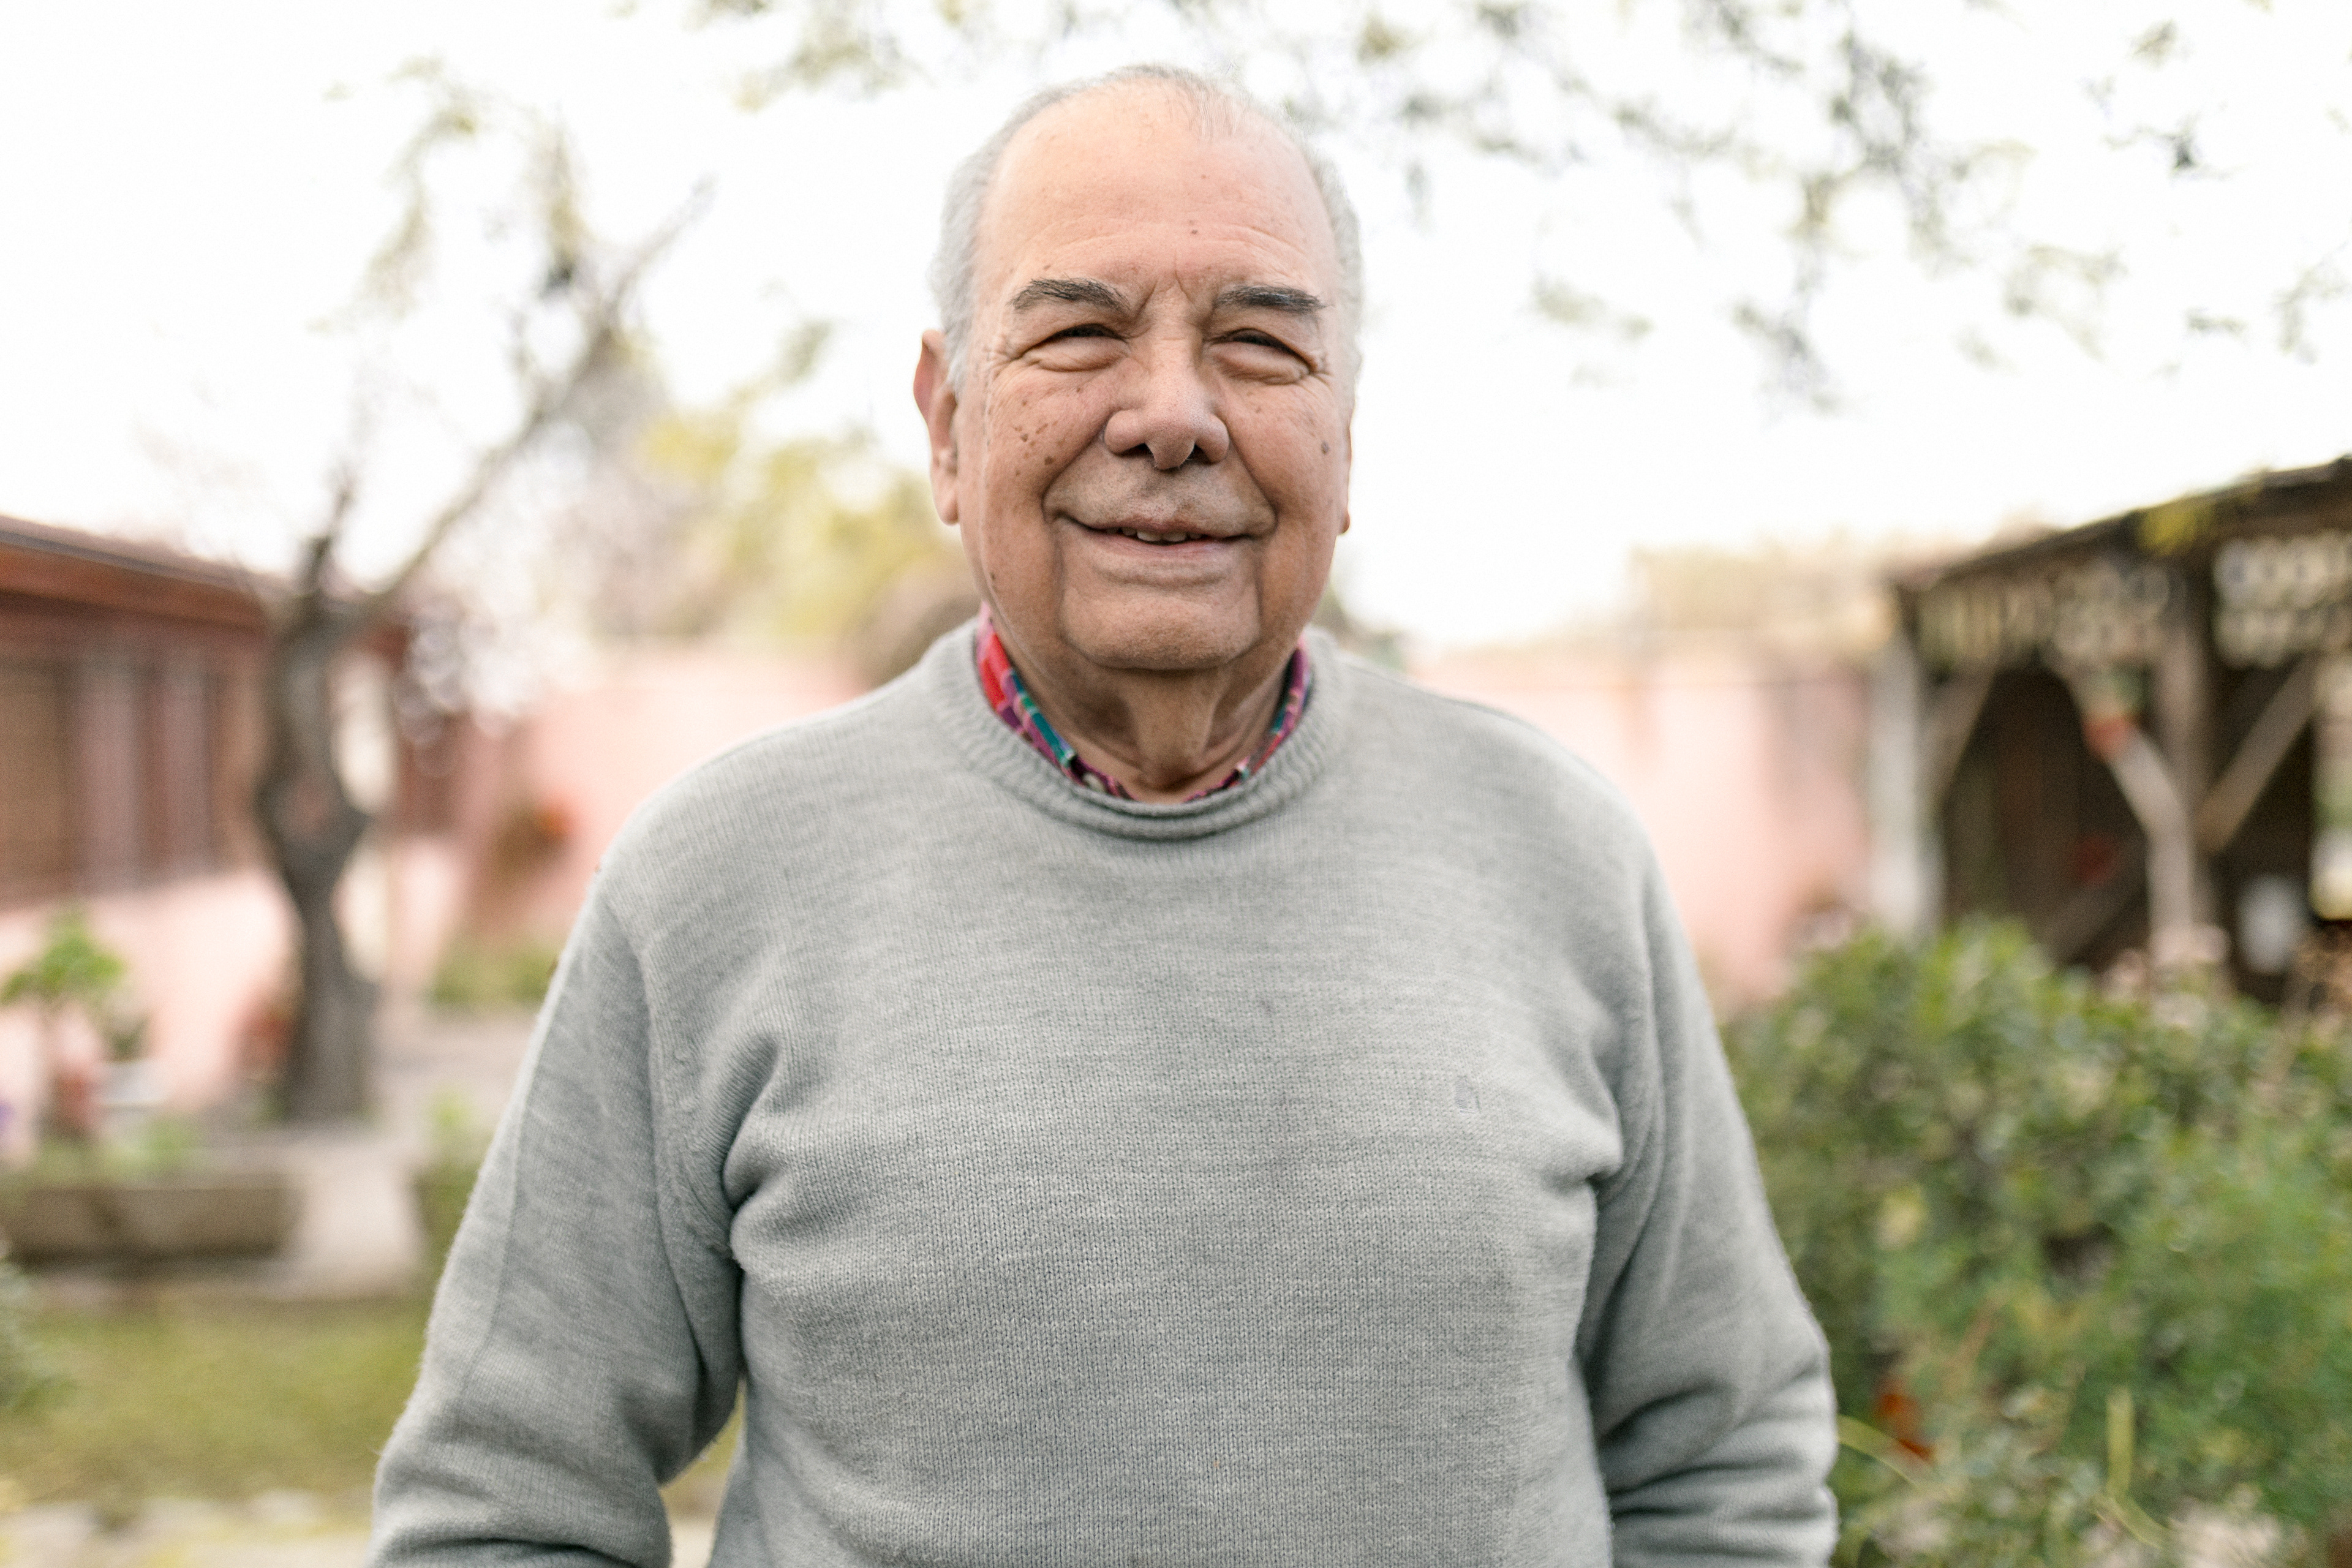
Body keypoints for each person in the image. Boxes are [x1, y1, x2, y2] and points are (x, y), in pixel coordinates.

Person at [369, 64, 1838, 1567]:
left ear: (1345, 436)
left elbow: (1725, 1456)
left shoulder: (1559, 856)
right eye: (1079, 333)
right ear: (948, 424)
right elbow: (504, 1507)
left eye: (1260, 345)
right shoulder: (716, 885)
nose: (1173, 416)